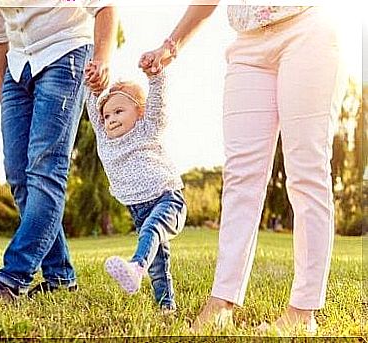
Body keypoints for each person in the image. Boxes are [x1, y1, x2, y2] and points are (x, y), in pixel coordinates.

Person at [140, 4, 345, 333]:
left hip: (307, 29)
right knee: (239, 177)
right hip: (248, 44)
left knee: (307, 172)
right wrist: (170, 45)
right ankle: (222, 302)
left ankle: (303, 313)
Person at [0, 2, 117, 305]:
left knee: (44, 169)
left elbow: (104, 6)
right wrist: (9, 106)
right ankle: (61, 278)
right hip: (17, 65)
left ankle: (12, 278)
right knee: (18, 172)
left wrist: (103, 58)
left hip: (66, 54)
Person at [84, 64, 187, 312]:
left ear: (139, 112)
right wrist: (91, 83)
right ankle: (166, 307)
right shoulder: (106, 141)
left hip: (167, 199)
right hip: (137, 209)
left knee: (151, 230)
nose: (111, 119)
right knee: (159, 265)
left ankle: (135, 266)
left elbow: (157, 101)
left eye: (119, 111)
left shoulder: (147, 127)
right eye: (107, 116)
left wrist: (155, 75)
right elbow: (92, 105)